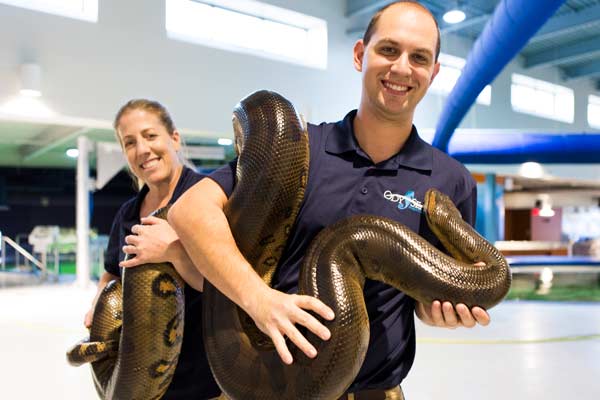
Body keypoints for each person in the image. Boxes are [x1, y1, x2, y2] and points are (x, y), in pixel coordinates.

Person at [169, 1, 490, 398]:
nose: (402, 68)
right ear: (360, 55)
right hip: (265, 383)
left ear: (433, 73)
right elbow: (189, 211)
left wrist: (436, 311)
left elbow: (428, 295)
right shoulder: (299, 149)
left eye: (419, 58)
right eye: (388, 50)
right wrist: (259, 299)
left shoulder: (451, 183)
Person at [83, 99, 221, 399]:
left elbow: (231, 292)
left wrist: (173, 252)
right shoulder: (128, 213)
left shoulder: (209, 197)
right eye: (129, 142)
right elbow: (111, 272)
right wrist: (99, 302)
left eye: (150, 135)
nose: (142, 149)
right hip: (142, 381)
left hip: (207, 384)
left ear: (174, 138)